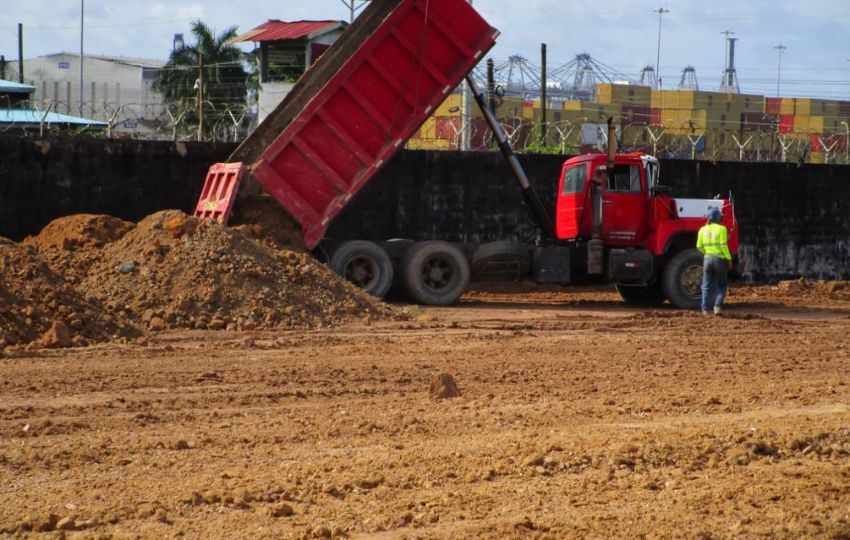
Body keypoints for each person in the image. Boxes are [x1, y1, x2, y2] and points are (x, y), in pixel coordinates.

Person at [696, 208, 732, 315]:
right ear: (718, 218)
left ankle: (705, 309)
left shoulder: (702, 229)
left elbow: (698, 246)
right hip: (720, 259)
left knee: (706, 284)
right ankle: (717, 306)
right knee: (721, 284)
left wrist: (707, 252)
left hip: (707, 259)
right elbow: (723, 245)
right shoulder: (722, 229)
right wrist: (729, 258)